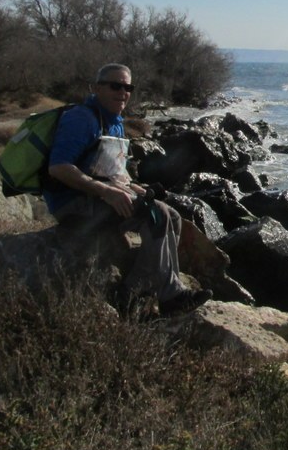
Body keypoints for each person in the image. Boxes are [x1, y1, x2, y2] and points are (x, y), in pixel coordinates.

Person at [45, 63, 211, 315]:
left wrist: (135, 187)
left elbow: (113, 171)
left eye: (127, 87)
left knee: (173, 217)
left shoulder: (115, 123)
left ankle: (135, 291)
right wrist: (105, 191)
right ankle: (170, 296)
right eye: (115, 85)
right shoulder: (81, 119)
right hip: (73, 204)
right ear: (97, 87)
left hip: (99, 199)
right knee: (157, 215)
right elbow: (58, 167)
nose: (122, 92)